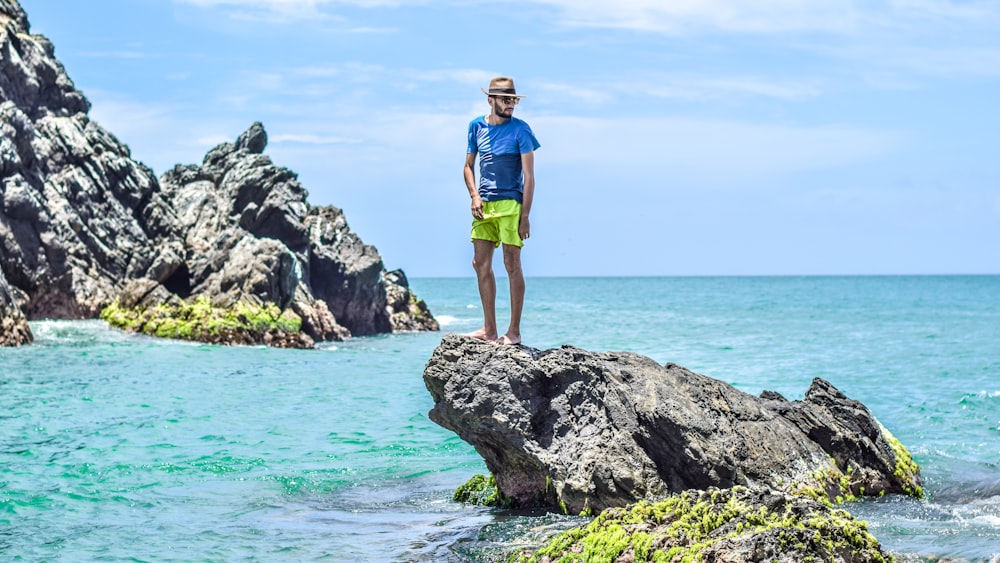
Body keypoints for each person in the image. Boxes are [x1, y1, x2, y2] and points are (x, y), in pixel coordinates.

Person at [463, 77, 540, 345]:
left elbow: (529, 177)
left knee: (511, 264)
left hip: (511, 204)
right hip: (484, 204)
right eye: (506, 100)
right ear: (491, 100)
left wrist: (525, 215)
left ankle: (514, 332)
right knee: (479, 264)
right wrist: (474, 196)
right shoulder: (476, 127)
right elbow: (467, 166)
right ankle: (489, 330)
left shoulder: (521, 130)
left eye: (514, 100)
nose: (511, 105)